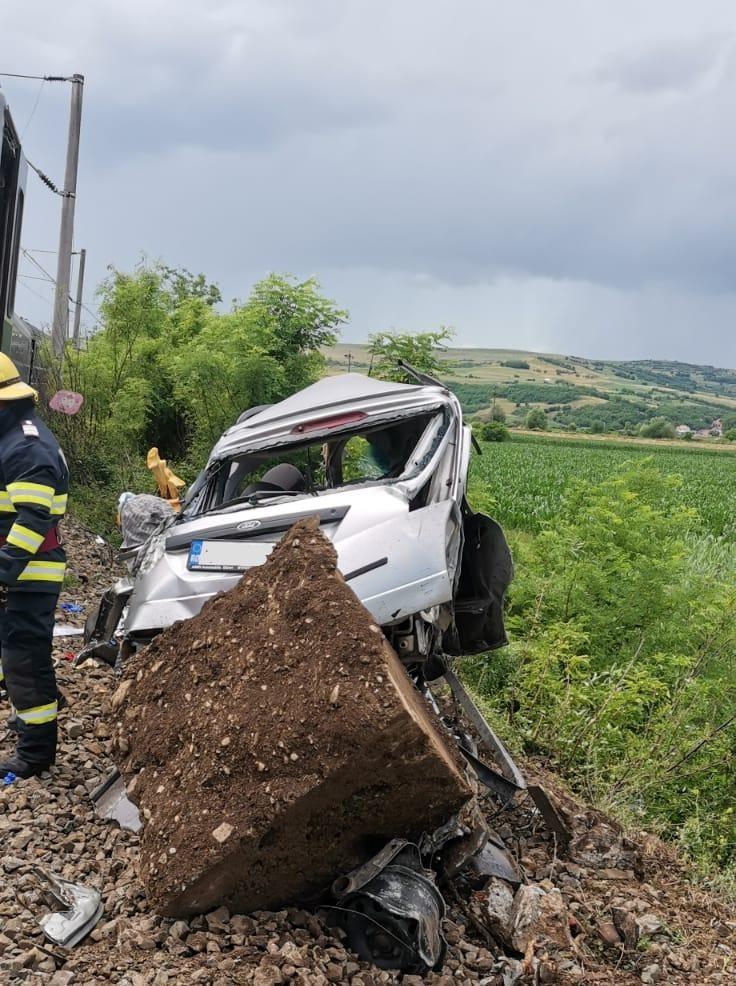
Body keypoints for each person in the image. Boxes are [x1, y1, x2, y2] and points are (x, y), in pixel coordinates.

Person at [0, 353, 69, 779]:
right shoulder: (14, 438)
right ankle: (25, 717)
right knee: (14, 654)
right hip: (20, 572)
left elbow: (31, 520)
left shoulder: (25, 448)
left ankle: (36, 752)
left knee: (25, 658)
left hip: (29, 573)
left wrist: (4, 569)